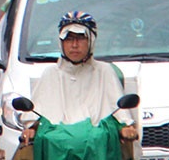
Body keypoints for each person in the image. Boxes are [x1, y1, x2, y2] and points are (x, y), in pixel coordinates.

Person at [21, 12, 138, 151]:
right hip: (58, 147)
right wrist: (31, 129)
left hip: (96, 147)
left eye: (80, 39)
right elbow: (37, 115)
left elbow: (119, 115)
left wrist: (125, 127)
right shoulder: (51, 74)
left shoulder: (104, 71)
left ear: (91, 41)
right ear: (61, 42)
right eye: (69, 39)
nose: (74, 45)